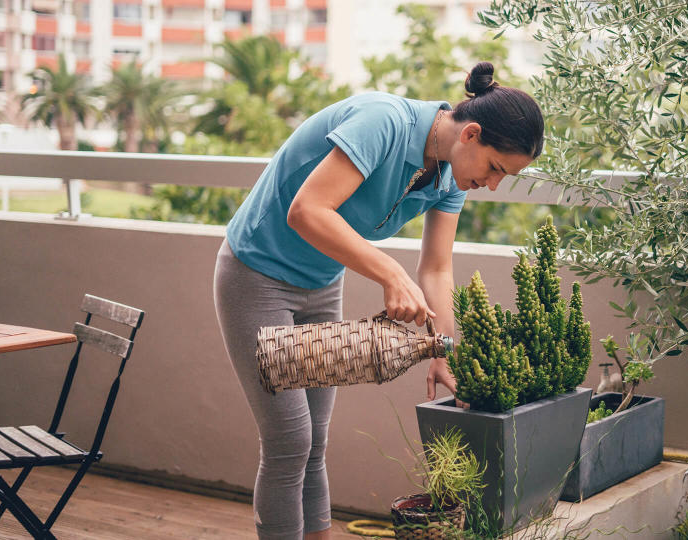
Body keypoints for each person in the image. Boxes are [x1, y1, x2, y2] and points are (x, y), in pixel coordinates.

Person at [212, 61, 544, 539]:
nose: (492, 184)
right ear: (470, 133)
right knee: (289, 441)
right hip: (256, 275)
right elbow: (306, 211)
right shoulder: (383, 122)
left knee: (315, 441)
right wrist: (389, 271)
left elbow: (435, 268)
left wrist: (444, 349)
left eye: (503, 178)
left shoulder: (450, 178)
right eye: (495, 169)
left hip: (321, 283)